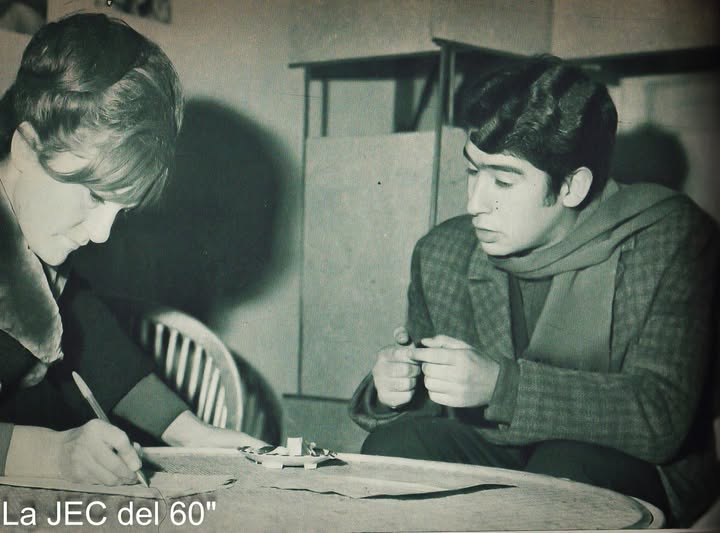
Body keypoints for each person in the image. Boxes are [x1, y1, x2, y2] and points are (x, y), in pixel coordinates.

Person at [349, 55, 719, 527]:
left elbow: (659, 417)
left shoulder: (671, 241)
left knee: (564, 473)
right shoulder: (442, 252)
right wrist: (395, 388)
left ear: (572, 186)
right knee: (393, 449)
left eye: (503, 181)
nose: (474, 203)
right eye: (472, 172)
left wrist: (502, 387)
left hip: (626, 460)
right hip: (500, 446)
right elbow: (431, 408)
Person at [0, 13, 265, 486]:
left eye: (119, 210)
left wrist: (190, 432)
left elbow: (90, 339)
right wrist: (48, 454)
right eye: (94, 195)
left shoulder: (40, 245)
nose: (102, 233)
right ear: (24, 147)